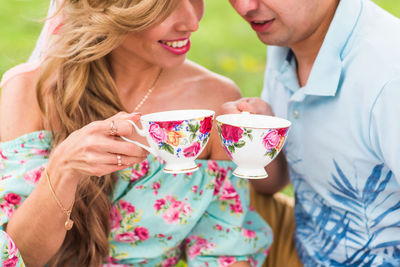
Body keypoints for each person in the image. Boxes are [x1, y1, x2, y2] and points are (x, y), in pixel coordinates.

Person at [0, 0, 272, 266]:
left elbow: (223, 253)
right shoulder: (29, 91)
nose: (192, 22)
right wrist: (63, 168)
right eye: (167, 5)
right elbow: (21, 256)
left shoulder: (213, 102)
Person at [223, 0, 400, 266]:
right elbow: (274, 183)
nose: (245, 7)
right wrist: (254, 138)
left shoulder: (388, 77)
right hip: (305, 250)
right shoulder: (287, 39)